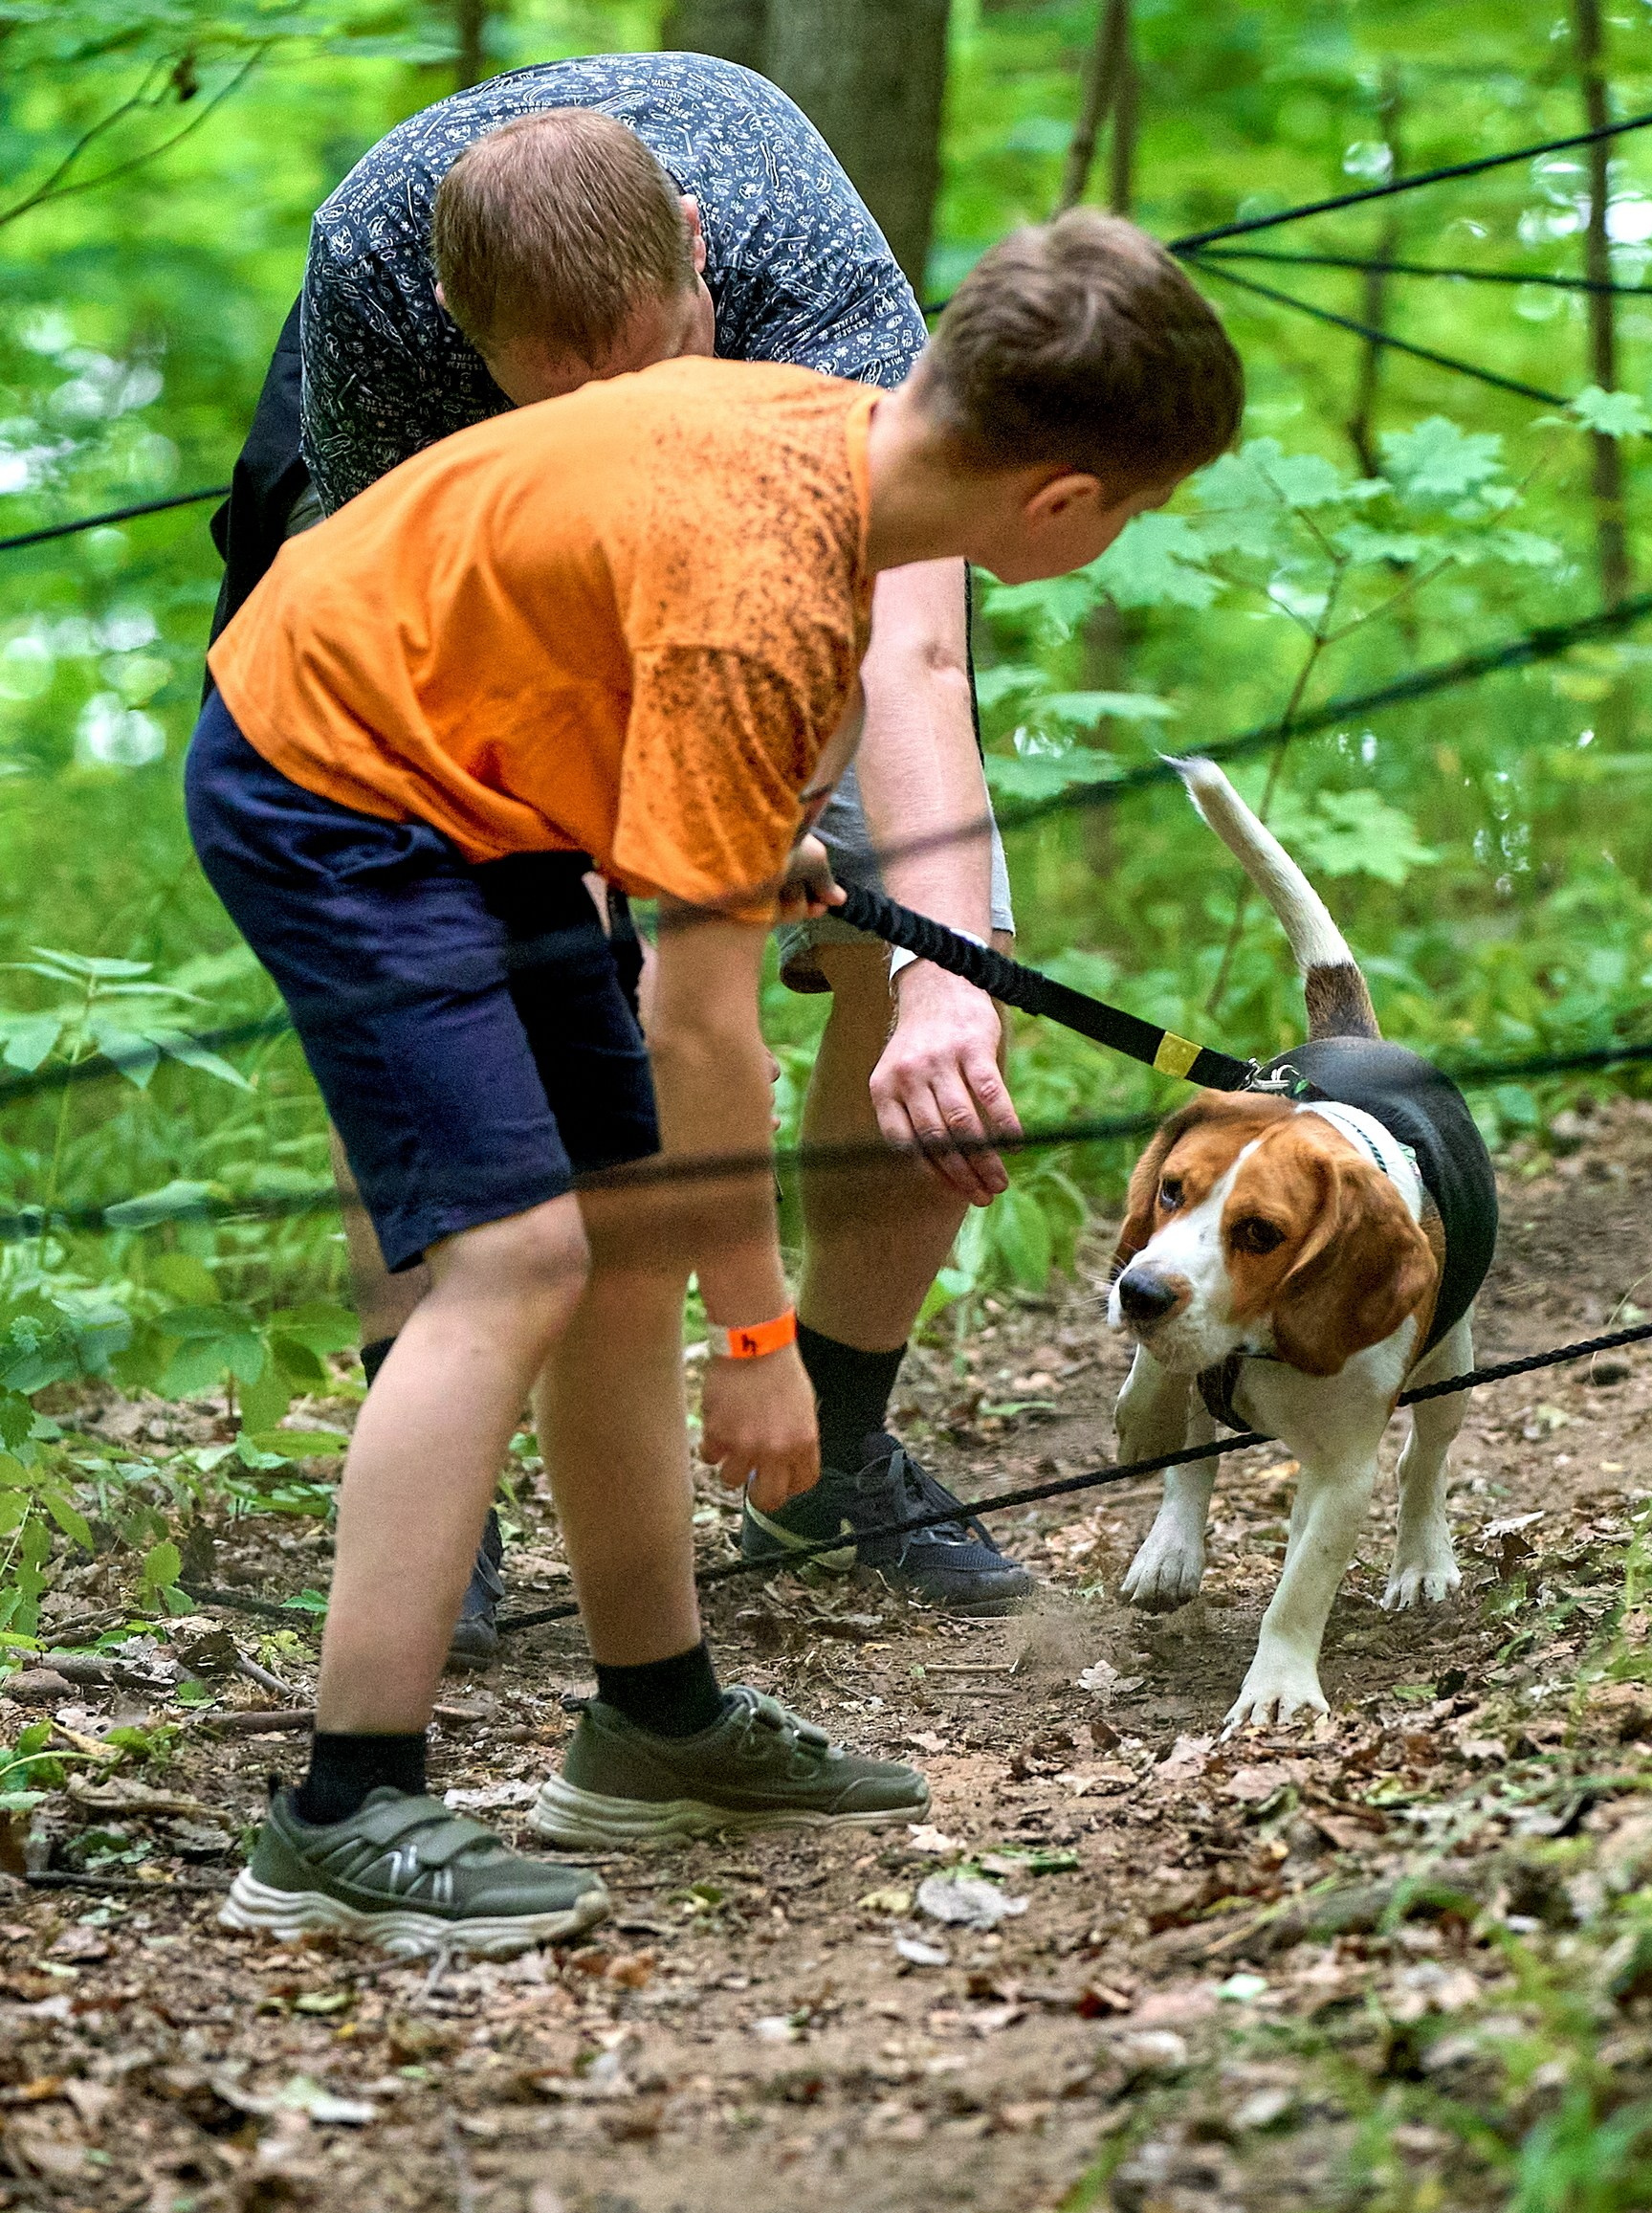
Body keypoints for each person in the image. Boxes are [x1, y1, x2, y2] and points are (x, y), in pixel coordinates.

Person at [186, 173, 1245, 1956]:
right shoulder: (777, 600)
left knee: (608, 1248)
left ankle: (654, 1722)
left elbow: (606, 633)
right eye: (1131, 513)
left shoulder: (824, 436)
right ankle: (342, 1811)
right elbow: (703, 1029)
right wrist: (761, 1352)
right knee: (515, 1257)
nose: (1112, 537)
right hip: (339, 792)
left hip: (482, 776)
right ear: (1060, 500)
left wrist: (719, 839)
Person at [209, 56, 1042, 1663]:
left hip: (777, 567)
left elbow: (914, 663)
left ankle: (834, 1449)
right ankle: (434, 1481)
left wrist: (950, 975)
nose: (626, 430)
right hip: (480, 614)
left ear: (694, 253)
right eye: (567, 402)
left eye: (661, 370)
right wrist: (645, 887)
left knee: (942, 938)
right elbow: (456, 663)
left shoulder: (809, 278)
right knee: (471, 981)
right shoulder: (384, 283)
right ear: (472, 339)